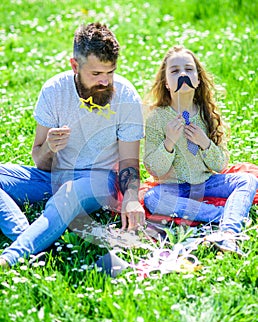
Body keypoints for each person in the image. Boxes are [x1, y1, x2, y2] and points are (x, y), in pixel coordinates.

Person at [0, 22, 145, 269]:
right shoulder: (54, 91)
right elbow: (40, 160)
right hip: (54, 176)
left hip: (100, 181)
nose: (105, 82)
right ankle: (32, 237)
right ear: (74, 65)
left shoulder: (126, 96)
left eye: (110, 72)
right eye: (96, 74)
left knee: (69, 193)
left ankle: (12, 257)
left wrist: (131, 197)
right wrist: (50, 148)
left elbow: (130, 162)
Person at [143, 45, 257, 256]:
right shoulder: (157, 118)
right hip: (172, 187)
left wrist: (205, 143)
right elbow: (154, 170)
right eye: (175, 71)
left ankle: (229, 233)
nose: (183, 74)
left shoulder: (206, 113)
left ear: (197, 79)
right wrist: (169, 143)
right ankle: (222, 215)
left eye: (189, 69)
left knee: (247, 180)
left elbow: (220, 165)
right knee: (152, 199)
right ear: (166, 83)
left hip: (206, 182)